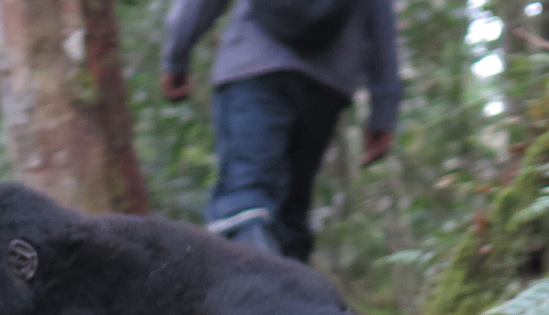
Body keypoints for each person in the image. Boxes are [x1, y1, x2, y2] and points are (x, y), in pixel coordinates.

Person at [161, 0, 402, 261]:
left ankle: (256, 284)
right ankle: (292, 291)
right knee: (289, 217)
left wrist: (176, 56)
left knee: (243, 200)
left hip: (253, 65)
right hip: (325, 85)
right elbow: (381, 24)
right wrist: (384, 111)